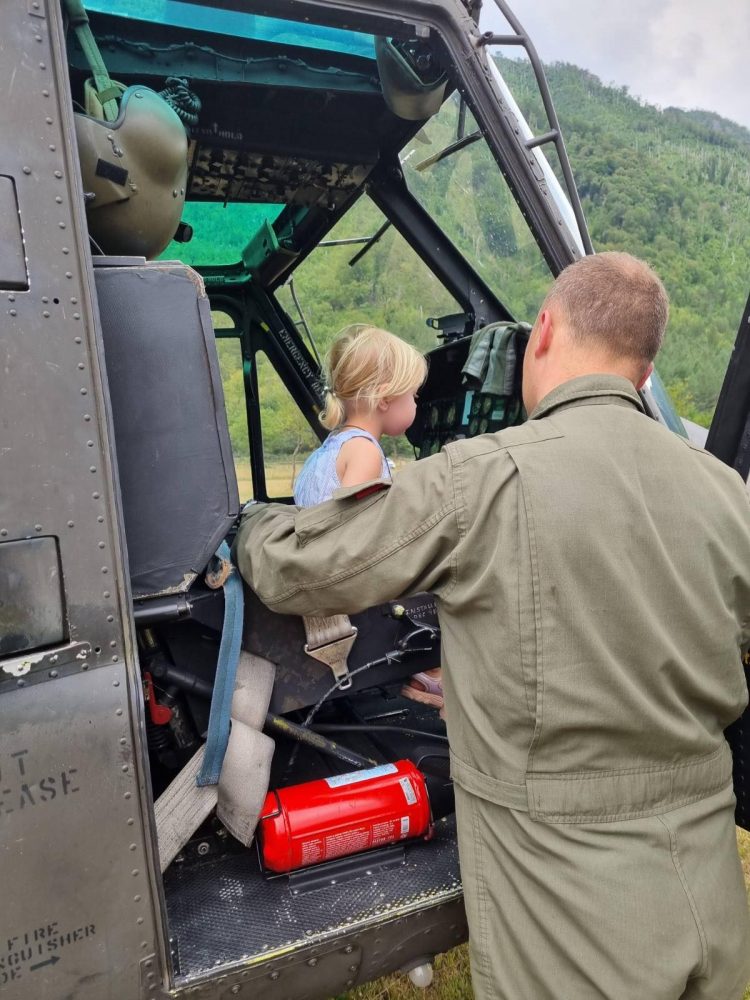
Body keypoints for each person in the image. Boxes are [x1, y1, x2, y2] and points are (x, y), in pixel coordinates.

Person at [235, 253, 750, 1000]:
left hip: (572, 916)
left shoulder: (479, 477)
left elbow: (301, 569)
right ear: (645, 370)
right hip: (708, 896)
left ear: (543, 332)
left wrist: (252, 525)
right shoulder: (722, 489)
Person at [293, 323, 445, 715]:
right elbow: (362, 533)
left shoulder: (332, 448)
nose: (416, 403)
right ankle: (431, 670)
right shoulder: (364, 451)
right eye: (412, 395)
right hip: (351, 588)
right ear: (385, 399)